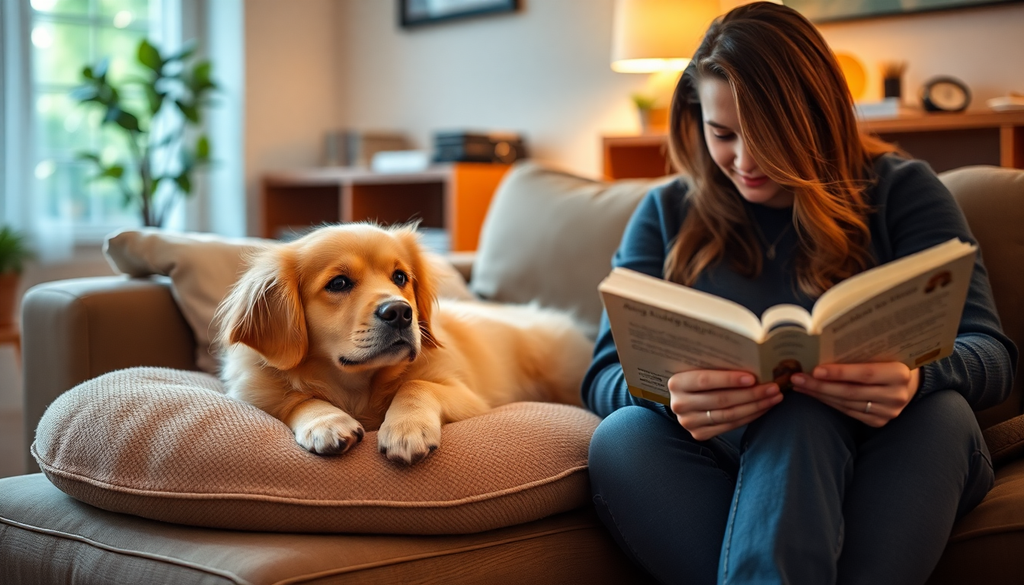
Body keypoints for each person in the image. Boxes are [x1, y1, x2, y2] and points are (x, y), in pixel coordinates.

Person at [583, 3, 1017, 585]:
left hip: (888, 448)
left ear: (817, 116)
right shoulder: (666, 213)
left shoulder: (902, 190)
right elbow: (603, 376)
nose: (746, 159)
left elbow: (993, 354)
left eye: (767, 135)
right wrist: (671, 398)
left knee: (915, 412)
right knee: (620, 437)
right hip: (724, 459)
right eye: (723, 134)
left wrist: (919, 377)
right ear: (697, 120)